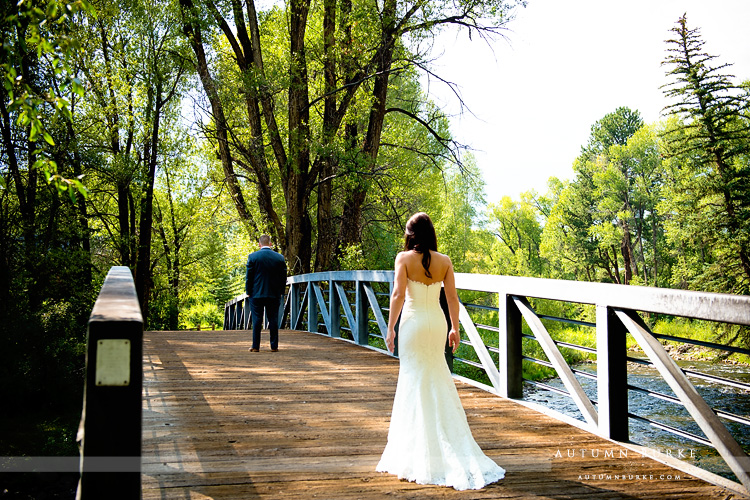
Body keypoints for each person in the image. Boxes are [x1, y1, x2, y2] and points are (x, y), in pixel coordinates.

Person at [376, 212, 505, 490]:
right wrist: (454, 328)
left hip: (412, 324)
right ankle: (447, 446)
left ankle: (414, 454)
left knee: (413, 380)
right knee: (436, 377)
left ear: (410, 234)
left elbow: (398, 295)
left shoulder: (403, 258)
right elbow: (452, 298)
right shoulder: (444, 261)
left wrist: (390, 327)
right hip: (436, 323)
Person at [245, 234, 287, 352]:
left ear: (259, 244)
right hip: (273, 294)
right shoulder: (279, 258)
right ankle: (274, 346)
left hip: (256, 293)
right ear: (270, 244)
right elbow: (283, 277)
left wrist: (248, 291)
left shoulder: (253, 257)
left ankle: (255, 346)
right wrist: (281, 291)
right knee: (273, 318)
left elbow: (249, 277)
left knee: (257, 319)